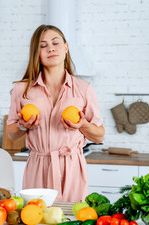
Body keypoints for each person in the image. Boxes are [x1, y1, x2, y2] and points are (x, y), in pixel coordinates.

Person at [7, 25, 104, 202]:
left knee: (72, 221)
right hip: (38, 166)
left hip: (72, 168)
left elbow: (99, 136)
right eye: (43, 45)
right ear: (36, 53)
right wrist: (23, 125)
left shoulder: (84, 89)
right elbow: (11, 134)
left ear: (66, 47)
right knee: (35, 222)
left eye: (55, 43)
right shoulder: (22, 89)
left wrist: (82, 124)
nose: (50, 48)